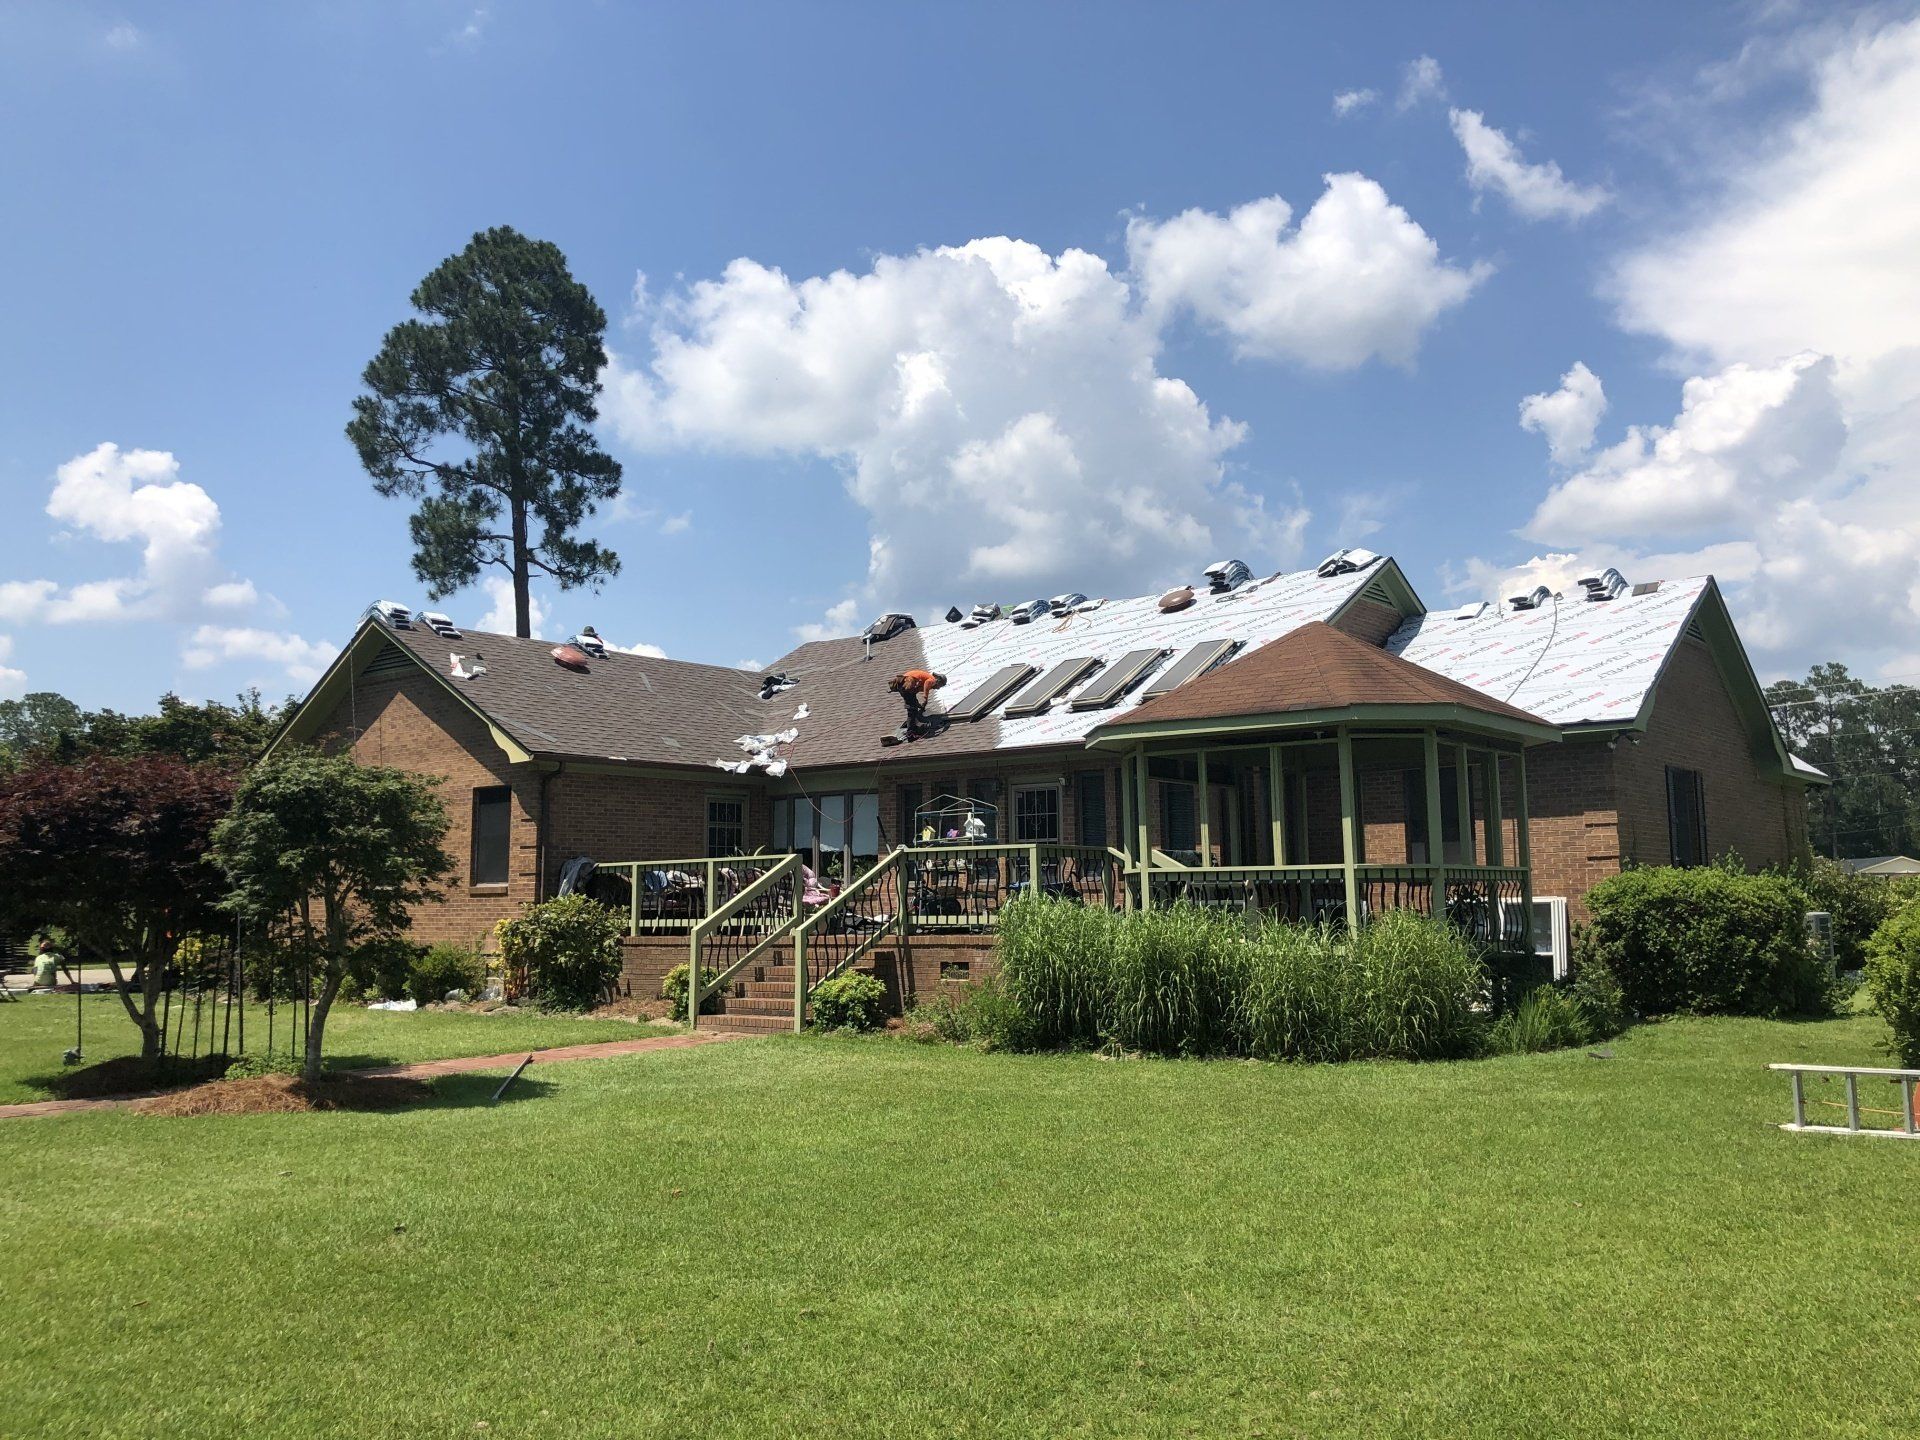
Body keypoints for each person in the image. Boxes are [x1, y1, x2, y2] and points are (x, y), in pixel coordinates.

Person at [887, 668, 947, 740]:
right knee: (912, 710)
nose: (938, 688)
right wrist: (925, 699)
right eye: (940, 686)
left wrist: (919, 705)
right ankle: (911, 733)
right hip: (908, 682)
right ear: (939, 681)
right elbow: (927, 684)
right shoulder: (932, 680)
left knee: (913, 706)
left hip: (903, 683)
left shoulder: (926, 679)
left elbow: (912, 694)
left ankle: (912, 728)